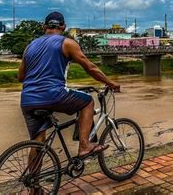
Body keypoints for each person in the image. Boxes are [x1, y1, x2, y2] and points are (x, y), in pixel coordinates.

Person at [18, 11, 120, 158]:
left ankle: (32, 178)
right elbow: (90, 67)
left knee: (38, 141)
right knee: (87, 102)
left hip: (28, 99)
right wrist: (111, 83)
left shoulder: (30, 46)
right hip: (53, 94)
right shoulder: (67, 43)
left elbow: (21, 76)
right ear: (63, 27)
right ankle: (84, 146)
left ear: (44, 26)